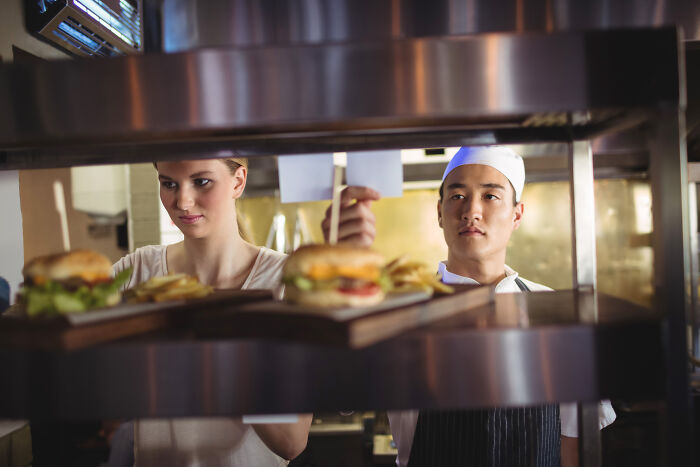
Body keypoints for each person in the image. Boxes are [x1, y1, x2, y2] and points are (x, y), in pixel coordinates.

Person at [322, 146, 616, 467]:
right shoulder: (395, 311)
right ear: (439, 212)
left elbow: (573, 445)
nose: (471, 211)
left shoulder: (559, 313)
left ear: (517, 214)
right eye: (457, 196)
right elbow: (338, 391)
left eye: (490, 196)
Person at [109, 156, 380, 466]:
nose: (182, 201)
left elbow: (291, 442)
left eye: (201, 181)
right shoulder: (136, 272)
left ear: (238, 181)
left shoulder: (287, 282)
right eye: (169, 183)